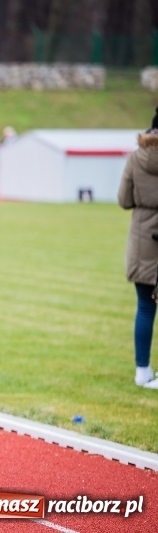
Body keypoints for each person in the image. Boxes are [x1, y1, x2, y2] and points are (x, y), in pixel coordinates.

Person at [118, 108, 158, 389]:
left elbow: (123, 199)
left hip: (144, 237)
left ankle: (142, 371)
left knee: (145, 306)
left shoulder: (136, 158)